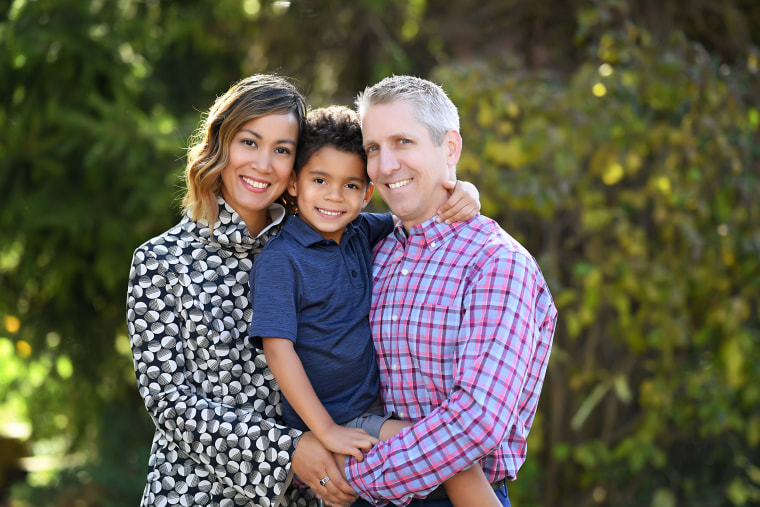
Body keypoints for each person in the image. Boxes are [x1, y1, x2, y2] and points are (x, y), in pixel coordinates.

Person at [126, 74, 483, 507]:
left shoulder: (332, 234)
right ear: (220, 145)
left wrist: (458, 190)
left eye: (282, 151)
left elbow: (408, 211)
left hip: (309, 492)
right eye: (249, 142)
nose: (263, 164)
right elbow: (170, 404)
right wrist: (287, 451)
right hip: (200, 492)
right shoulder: (162, 260)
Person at [248, 106, 494, 506]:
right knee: (456, 460)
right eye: (320, 180)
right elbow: (278, 349)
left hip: (373, 407)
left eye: (350, 185)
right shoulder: (282, 259)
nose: (333, 195)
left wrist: (462, 189)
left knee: (449, 457)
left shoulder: (363, 230)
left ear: (367, 193)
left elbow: (418, 211)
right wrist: (326, 430)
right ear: (293, 184)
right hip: (338, 417)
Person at [333, 75, 558, 507]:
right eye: (373, 149)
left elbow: (477, 421)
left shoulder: (496, 263)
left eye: (403, 142)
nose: (385, 165)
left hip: (447, 496)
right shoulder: (373, 250)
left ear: (450, 147)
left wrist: (351, 478)